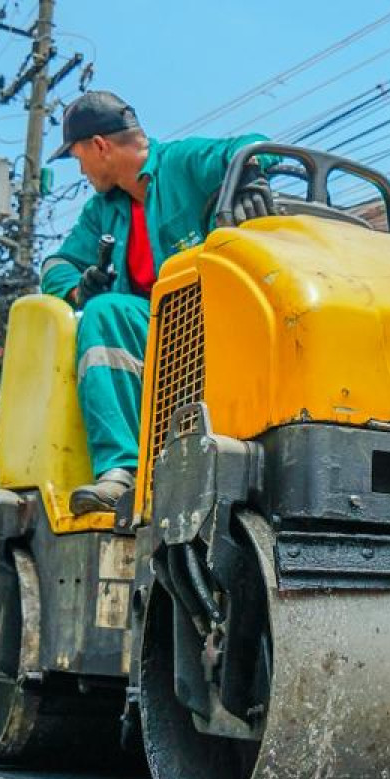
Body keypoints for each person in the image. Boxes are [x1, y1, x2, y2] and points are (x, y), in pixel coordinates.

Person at [40, 90, 276, 515]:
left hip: (216, 323)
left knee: (106, 312)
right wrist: (79, 288)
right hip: (156, 336)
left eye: (78, 158)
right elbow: (56, 263)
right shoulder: (102, 211)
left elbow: (251, 147)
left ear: (100, 146)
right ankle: (123, 473)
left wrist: (249, 177)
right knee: (104, 310)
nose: (81, 170)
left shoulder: (182, 161)